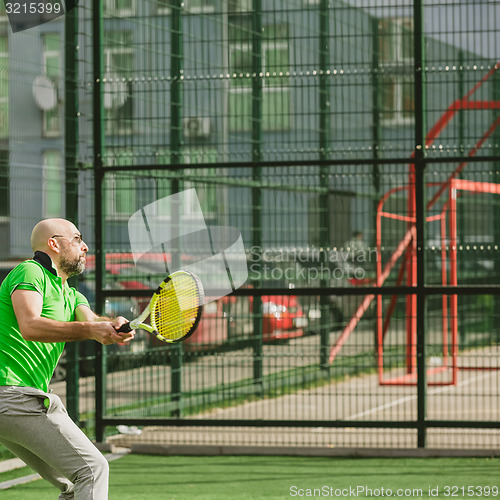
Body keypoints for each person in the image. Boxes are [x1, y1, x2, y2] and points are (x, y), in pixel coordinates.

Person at [0, 218, 135, 499]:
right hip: (11, 396)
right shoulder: (30, 271)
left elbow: (95, 324)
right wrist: (92, 329)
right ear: (54, 244)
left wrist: (113, 327)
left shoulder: (71, 294)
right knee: (93, 469)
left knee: (76, 485)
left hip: (17, 400)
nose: (84, 246)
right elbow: (31, 325)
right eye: (76, 239)